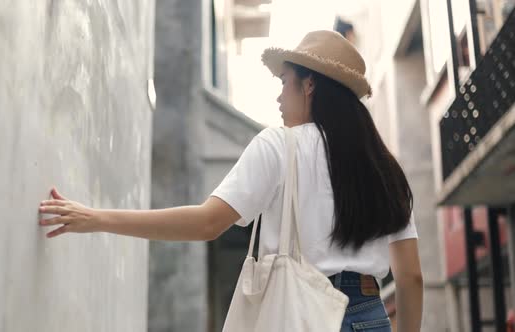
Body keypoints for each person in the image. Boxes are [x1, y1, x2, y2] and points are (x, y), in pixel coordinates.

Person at [38, 30, 423, 332]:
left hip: (300, 314)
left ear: (310, 85)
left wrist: (96, 218)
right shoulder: (384, 169)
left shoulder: (279, 145)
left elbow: (207, 223)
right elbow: (410, 278)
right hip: (371, 317)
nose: (278, 97)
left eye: (285, 82)